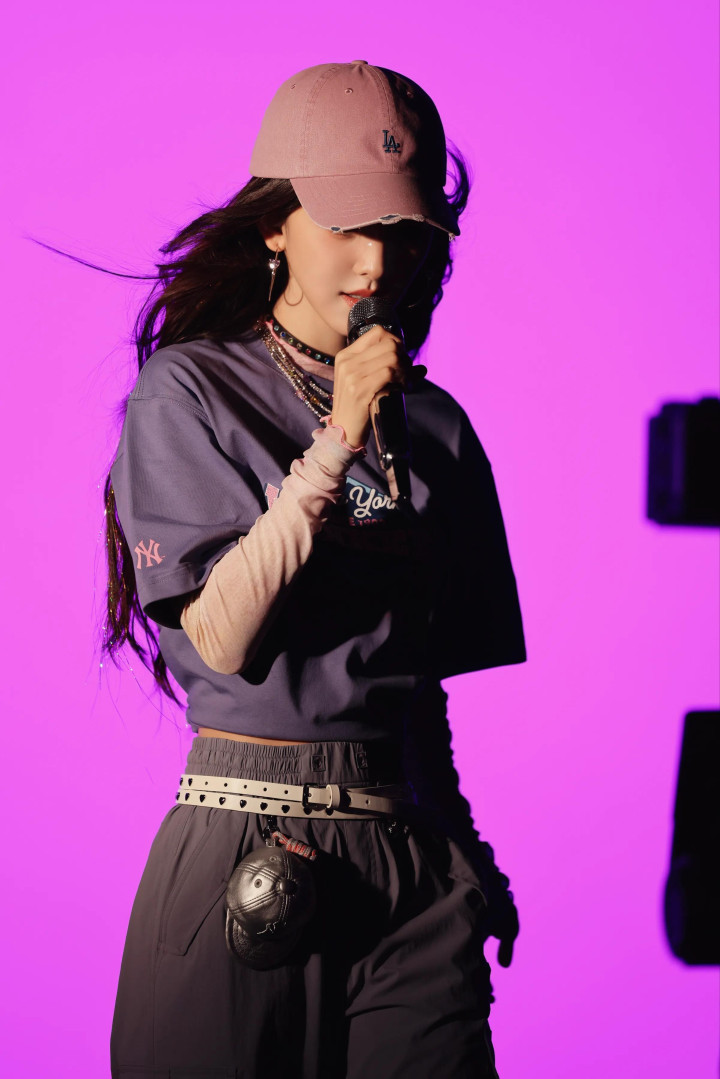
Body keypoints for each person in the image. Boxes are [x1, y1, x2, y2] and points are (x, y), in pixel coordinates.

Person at [106, 61, 526, 1079]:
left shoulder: (436, 428)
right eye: (346, 225)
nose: (376, 263)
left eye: (401, 232)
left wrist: (465, 847)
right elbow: (220, 635)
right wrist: (336, 440)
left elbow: (413, 676)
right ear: (273, 225)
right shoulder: (188, 392)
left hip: (405, 847)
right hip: (245, 835)